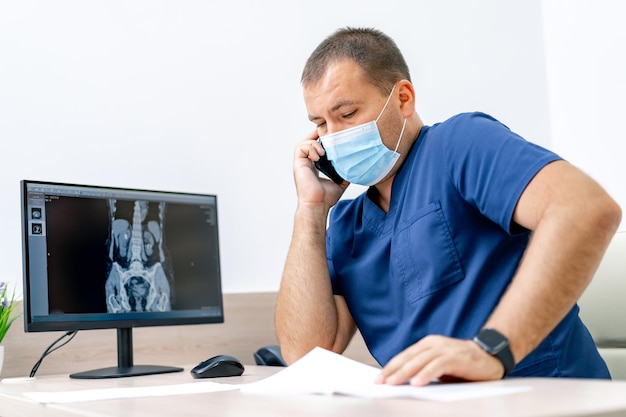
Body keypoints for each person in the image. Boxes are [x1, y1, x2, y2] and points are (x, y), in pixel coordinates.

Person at [274, 27, 622, 386]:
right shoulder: (347, 228)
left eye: (346, 114)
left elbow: (585, 209)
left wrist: (491, 350)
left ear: (403, 98)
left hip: (544, 397)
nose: (333, 137)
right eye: (320, 125)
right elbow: (305, 356)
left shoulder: (459, 144)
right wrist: (310, 212)